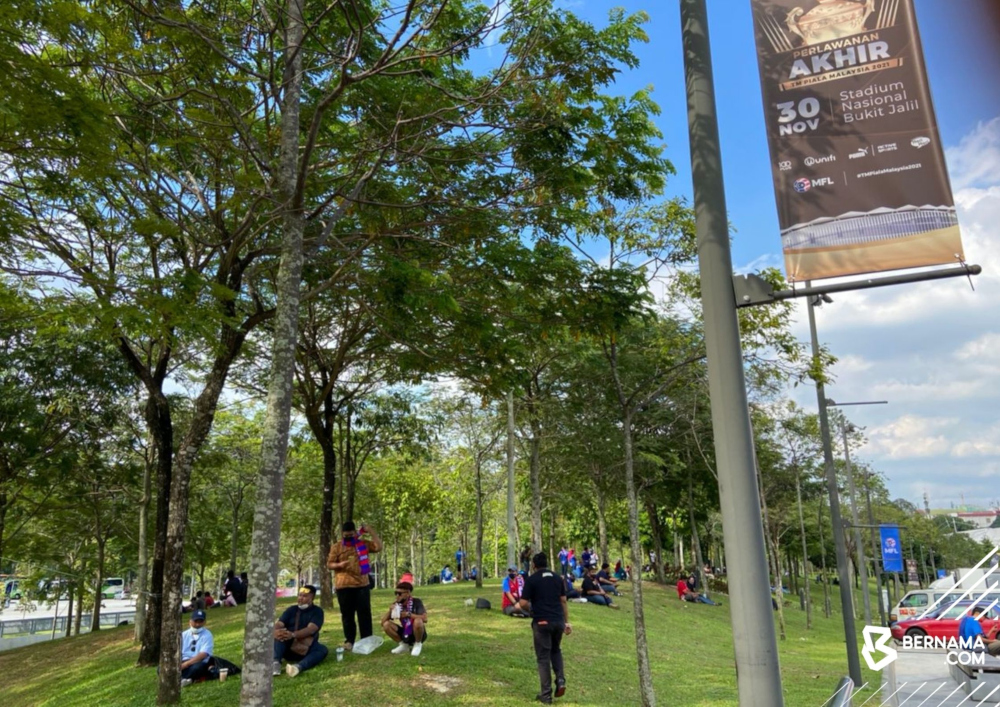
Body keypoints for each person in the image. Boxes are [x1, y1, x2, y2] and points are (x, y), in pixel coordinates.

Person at [519, 552, 570, 704]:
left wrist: (532, 610)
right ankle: (560, 680)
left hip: (541, 622)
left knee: (543, 658)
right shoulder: (557, 578)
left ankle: (546, 695)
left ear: (533, 565)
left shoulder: (532, 579)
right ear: (547, 563)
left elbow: (522, 603)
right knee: (556, 650)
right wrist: (566, 622)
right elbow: (563, 601)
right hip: (558, 621)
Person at [327, 521, 382, 651]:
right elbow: (329, 564)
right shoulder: (336, 547)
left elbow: (378, 547)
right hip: (344, 586)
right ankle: (349, 641)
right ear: (342, 534)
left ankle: (366, 640)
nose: (348, 538)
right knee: (347, 615)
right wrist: (339, 565)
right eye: (346, 536)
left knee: (364, 614)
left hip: (362, 585)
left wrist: (371, 531)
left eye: (351, 535)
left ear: (355, 533)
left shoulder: (362, 544)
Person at [273, 585, 328, 677]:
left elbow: (311, 629)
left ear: (312, 598)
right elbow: (280, 624)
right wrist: (275, 631)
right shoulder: (291, 610)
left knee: (322, 650)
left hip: (306, 647)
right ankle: (275, 663)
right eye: (299, 595)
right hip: (287, 646)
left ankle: (298, 667)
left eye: (304, 596)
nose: (300, 598)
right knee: (280, 636)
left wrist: (293, 635)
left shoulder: (317, 611)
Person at [381, 581, 427, 656]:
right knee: (386, 625)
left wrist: (408, 614)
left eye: (399, 594)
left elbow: (425, 619)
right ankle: (403, 645)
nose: (397, 596)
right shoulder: (397, 605)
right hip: (405, 631)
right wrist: (390, 611)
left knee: (418, 621)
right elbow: (382, 623)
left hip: (417, 631)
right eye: (395, 593)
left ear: (408, 593)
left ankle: (418, 644)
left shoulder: (416, 602)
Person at [180, 610, 213, 686]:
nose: (198, 624)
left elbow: (203, 654)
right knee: (161, 668)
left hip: (197, 662)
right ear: (190, 621)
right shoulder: (183, 635)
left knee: (198, 667)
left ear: (204, 622)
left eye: (200, 621)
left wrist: (186, 664)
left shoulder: (207, 635)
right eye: (195, 621)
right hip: (182, 660)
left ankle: (180, 678)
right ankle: (186, 678)